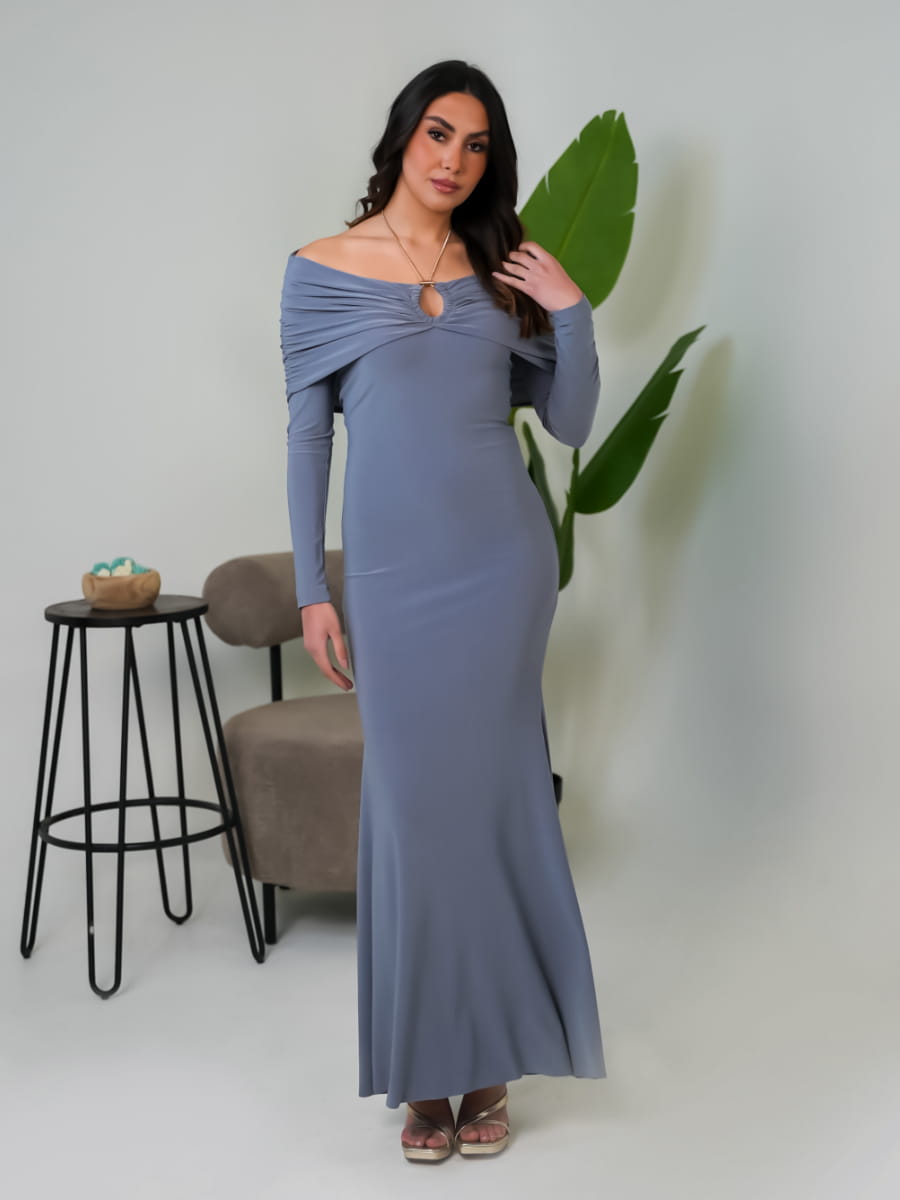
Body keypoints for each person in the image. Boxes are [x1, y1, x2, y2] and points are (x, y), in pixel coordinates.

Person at [280, 59, 606, 1163]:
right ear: (402, 137)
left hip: (502, 572)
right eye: (438, 134)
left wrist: (572, 312)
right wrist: (311, 588)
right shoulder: (319, 272)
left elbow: (569, 422)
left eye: (476, 145)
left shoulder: (501, 271)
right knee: (414, 814)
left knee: (497, 808)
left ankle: (489, 1066)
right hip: (390, 582)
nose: (454, 160)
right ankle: (424, 1072)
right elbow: (309, 437)